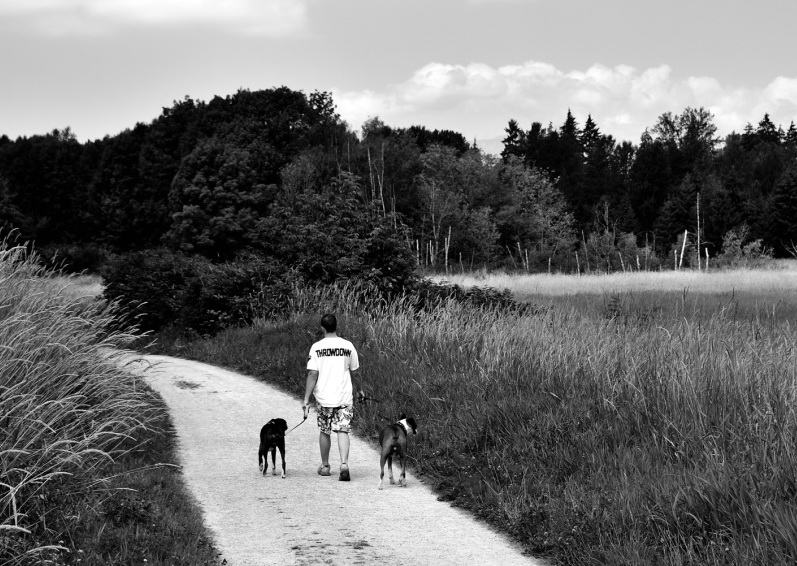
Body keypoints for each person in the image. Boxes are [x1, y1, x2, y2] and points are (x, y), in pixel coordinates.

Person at [303, 313, 364, 481]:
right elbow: (355, 372)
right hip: (343, 396)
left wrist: (306, 399)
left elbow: (313, 374)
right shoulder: (348, 346)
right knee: (342, 429)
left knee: (325, 430)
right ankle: (344, 464)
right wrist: (359, 390)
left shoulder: (316, 347)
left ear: (322, 328)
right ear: (337, 326)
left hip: (324, 397)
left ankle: (325, 466)